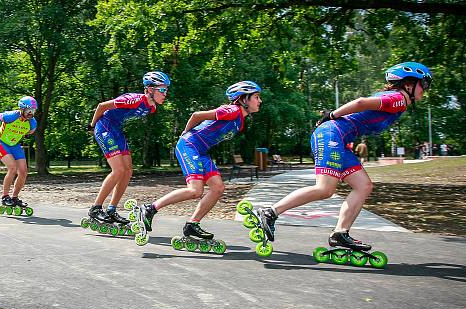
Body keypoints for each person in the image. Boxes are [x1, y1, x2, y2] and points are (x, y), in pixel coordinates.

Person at [254, 61, 432, 253]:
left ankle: (340, 233)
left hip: (340, 138)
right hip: (332, 134)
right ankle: (270, 213)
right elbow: (361, 103)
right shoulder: (397, 98)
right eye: (424, 84)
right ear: (408, 84)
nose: (425, 90)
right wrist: (331, 115)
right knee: (325, 188)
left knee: (364, 185)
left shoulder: (400, 102)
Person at [138, 81, 262, 248]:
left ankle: (192, 225)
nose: (259, 101)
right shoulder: (231, 110)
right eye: (256, 97)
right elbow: (197, 115)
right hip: (189, 146)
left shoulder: (239, 122)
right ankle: (150, 209)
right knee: (195, 190)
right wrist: (184, 134)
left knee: (218, 188)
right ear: (243, 99)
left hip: (201, 151)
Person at [87, 71, 170, 226]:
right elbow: (101, 106)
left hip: (116, 130)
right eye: (162, 90)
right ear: (150, 89)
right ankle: (96, 208)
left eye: (166, 90)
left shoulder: (151, 108)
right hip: (104, 126)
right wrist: (92, 127)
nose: (165, 93)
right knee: (118, 170)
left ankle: (111, 210)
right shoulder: (133, 99)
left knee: (128, 170)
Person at [0, 96, 38, 213]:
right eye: (28, 111)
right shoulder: (10, 116)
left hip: (14, 145)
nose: (31, 113)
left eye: (33, 111)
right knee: (12, 168)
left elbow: (30, 132)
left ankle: (14, 197)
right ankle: (5, 197)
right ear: (21, 109)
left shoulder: (32, 123)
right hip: (0, 142)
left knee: (23, 172)